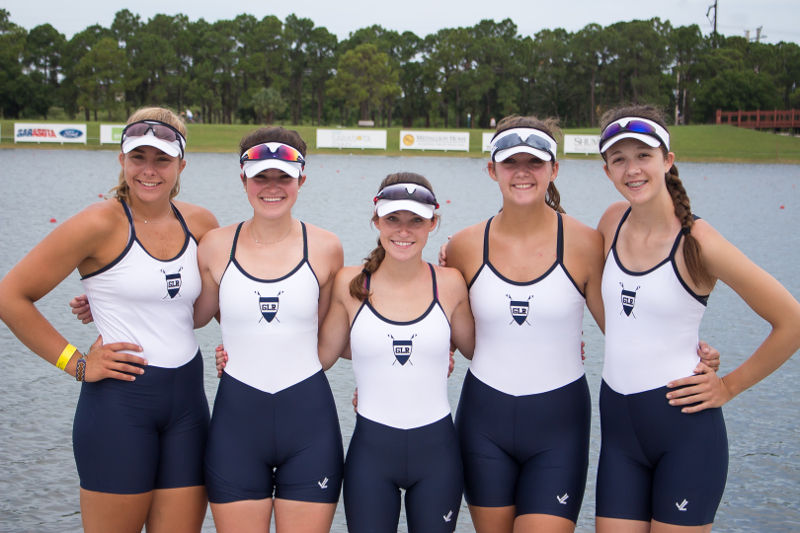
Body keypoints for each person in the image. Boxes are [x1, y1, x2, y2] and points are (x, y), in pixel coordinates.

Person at [440, 115, 720, 533]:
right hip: (483, 421)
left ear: (554, 169)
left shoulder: (587, 243)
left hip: (559, 424)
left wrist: (690, 353)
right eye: (510, 162)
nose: (522, 173)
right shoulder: (462, 247)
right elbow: (441, 327)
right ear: (491, 169)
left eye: (534, 163)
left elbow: (624, 327)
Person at [0, 107, 218, 533]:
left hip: (188, 407)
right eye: (138, 157)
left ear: (182, 165)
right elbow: (11, 297)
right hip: (120, 406)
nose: (149, 171)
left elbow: (208, 306)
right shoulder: (97, 224)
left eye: (162, 160)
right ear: (122, 159)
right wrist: (76, 363)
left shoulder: (201, 223)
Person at [594, 105, 800, 532]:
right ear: (607, 170)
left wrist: (728, 386)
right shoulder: (611, 223)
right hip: (619, 437)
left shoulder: (699, 243)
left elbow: (791, 321)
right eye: (619, 158)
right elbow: (569, 275)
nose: (632, 169)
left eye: (644, 155)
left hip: (685, 432)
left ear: (668, 160)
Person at [192, 127, 344, 533]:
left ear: (302, 180)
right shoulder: (214, 245)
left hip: (309, 424)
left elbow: (333, 332)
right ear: (243, 178)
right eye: (261, 176)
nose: (272, 187)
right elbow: (190, 316)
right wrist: (105, 303)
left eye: (283, 177)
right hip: (237, 424)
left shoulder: (327, 247)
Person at [317, 173, 475, 532]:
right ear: (376, 220)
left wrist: (559, 341)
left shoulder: (450, 283)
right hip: (371, 455)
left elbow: (480, 350)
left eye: (416, 220)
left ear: (433, 222)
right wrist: (242, 353)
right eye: (393, 219)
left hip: (438, 455)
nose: (404, 231)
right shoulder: (349, 283)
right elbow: (321, 357)